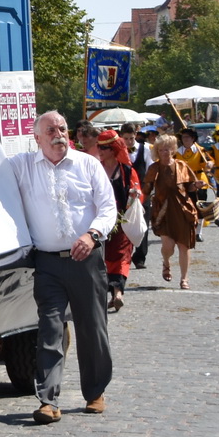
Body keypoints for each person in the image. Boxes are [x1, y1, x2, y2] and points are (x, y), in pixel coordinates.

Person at [5, 111, 116, 425]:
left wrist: (92, 234)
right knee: (49, 330)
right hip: (48, 263)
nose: (58, 134)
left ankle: (95, 392)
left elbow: (108, 207)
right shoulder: (21, 166)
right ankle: (48, 401)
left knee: (92, 328)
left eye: (63, 128)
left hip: (87, 260)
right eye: (51, 130)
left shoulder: (88, 164)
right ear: (37, 138)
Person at [144, 135, 201, 290]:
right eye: (161, 150)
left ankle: (184, 278)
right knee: (167, 246)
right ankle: (166, 262)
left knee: (184, 246)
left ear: (173, 150)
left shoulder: (182, 165)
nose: (164, 152)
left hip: (182, 209)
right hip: (163, 211)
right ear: (157, 151)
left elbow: (189, 188)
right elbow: (146, 190)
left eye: (167, 149)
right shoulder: (153, 168)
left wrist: (196, 185)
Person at [96, 130, 141, 313]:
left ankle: (117, 294)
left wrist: (135, 195)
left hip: (121, 221)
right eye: (99, 147)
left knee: (122, 256)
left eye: (104, 148)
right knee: (104, 258)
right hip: (100, 221)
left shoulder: (127, 171)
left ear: (113, 149)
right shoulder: (96, 168)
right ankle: (114, 292)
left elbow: (137, 191)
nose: (100, 150)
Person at [124, 124, 153, 270]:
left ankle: (140, 257)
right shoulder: (119, 150)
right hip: (125, 192)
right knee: (126, 224)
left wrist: (148, 190)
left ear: (135, 135)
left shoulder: (145, 148)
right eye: (126, 139)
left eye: (131, 138)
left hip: (143, 192)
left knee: (143, 226)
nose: (129, 141)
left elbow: (150, 169)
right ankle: (125, 255)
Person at [175, 128, 213, 239]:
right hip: (183, 181)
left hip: (199, 180)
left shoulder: (200, 150)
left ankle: (198, 232)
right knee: (184, 206)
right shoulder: (177, 152)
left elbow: (209, 161)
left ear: (193, 139)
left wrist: (209, 164)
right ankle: (186, 229)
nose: (185, 139)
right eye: (183, 137)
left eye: (187, 137)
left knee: (200, 205)